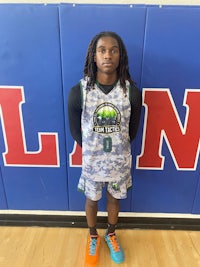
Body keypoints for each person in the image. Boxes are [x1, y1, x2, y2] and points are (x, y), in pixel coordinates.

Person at [68, 31, 142, 266]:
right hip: (92, 161)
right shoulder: (79, 91)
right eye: (102, 50)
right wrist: (95, 148)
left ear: (121, 56)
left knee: (113, 200)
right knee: (91, 200)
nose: (108, 55)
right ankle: (92, 235)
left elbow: (132, 131)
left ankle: (111, 233)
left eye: (114, 50)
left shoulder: (131, 91)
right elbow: (75, 132)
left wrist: (114, 148)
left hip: (118, 161)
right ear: (93, 55)